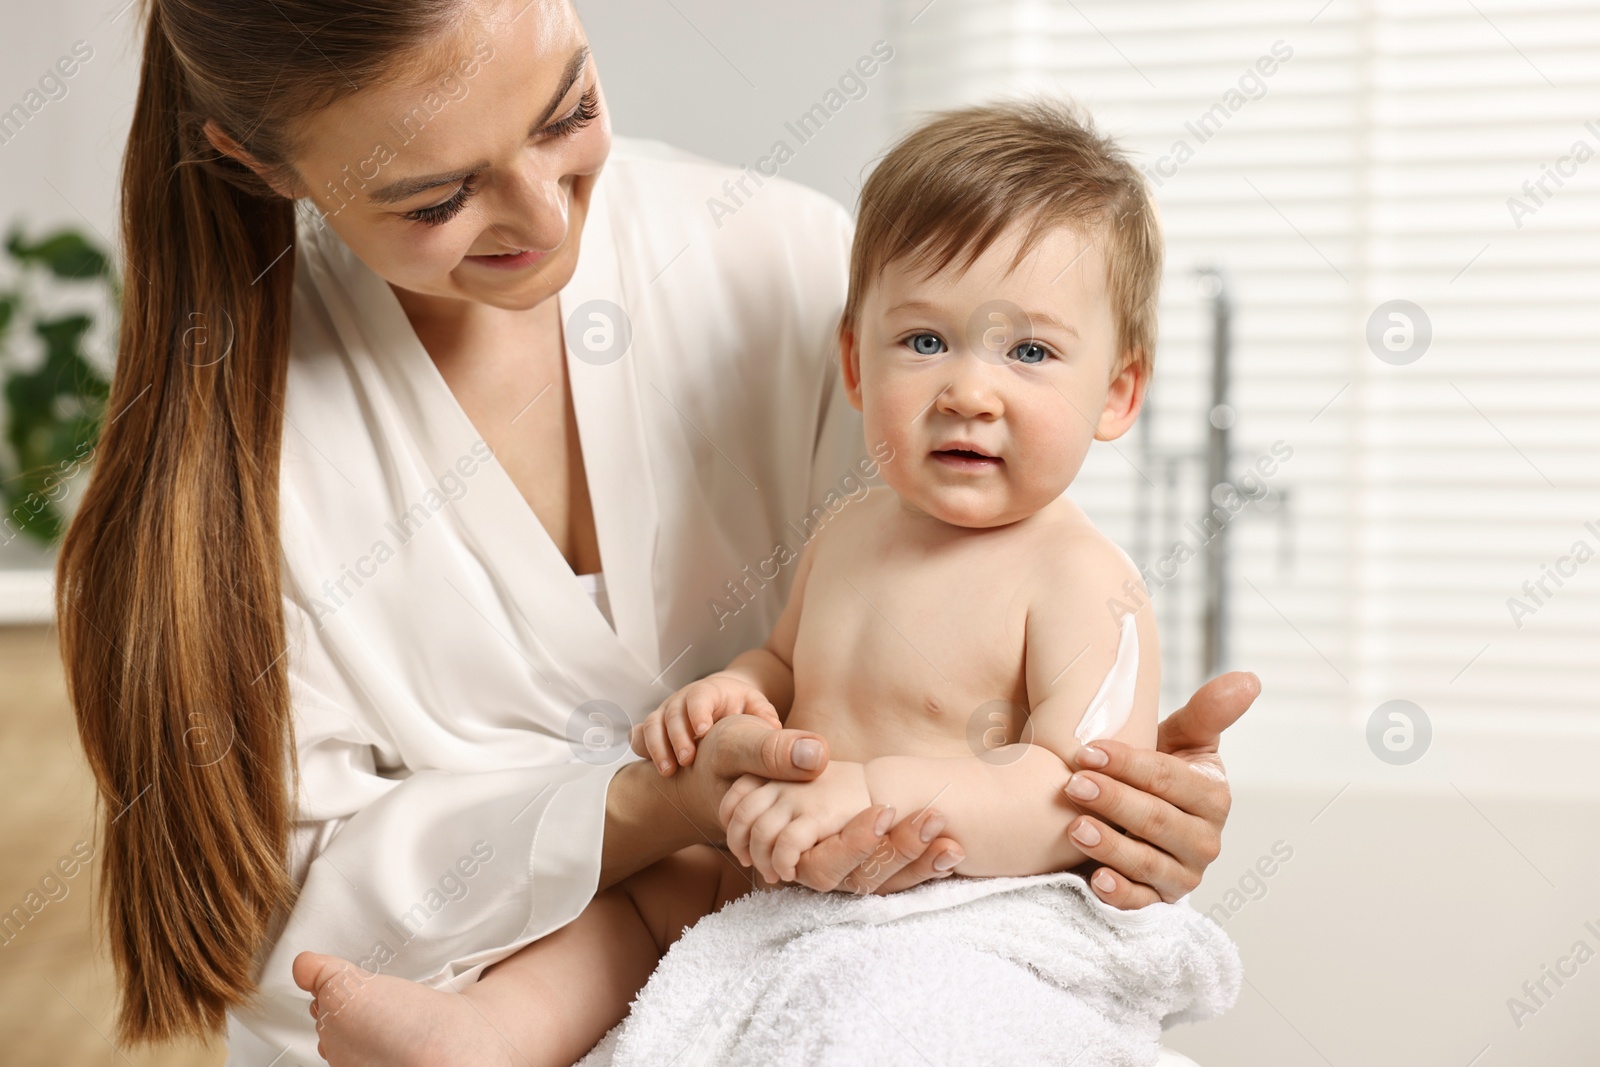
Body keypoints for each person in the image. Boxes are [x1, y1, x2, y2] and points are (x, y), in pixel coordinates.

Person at [55, 1, 1257, 1064]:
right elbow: (276, 930)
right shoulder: (222, 455)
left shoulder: (783, 261)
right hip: (645, 936)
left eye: (565, 109)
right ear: (258, 162)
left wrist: (1132, 813)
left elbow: (1030, 729)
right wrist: (668, 784)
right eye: (437, 194)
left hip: (884, 925)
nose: (541, 211)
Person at [296, 98, 1204, 1066]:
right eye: (925, 341)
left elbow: (1068, 794)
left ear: (1116, 392)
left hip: (966, 900)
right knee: (650, 900)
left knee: (890, 1013)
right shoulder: (849, 531)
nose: (967, 390)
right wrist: (734, 693)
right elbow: (786, 659)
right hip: (789, 866)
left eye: (1028, 351)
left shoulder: (1078, 576)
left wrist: (869, 789)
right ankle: (483, 1032)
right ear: (856, 362)